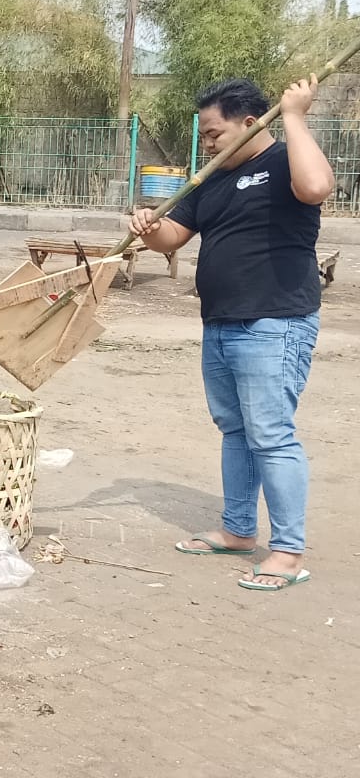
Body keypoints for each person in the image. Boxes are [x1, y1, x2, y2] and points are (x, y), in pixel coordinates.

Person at [131, 76, 332, 592]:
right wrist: (151, 229)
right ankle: (239, 530)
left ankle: (288, 551)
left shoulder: (286, 160)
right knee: (236, 431)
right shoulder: (214, 177)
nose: (208, 143)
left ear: (250, 123)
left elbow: (316, 188)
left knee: (271, 434)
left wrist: (295, 114)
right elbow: (175, 236)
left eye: (214, 133)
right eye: (204, 135)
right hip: (221, 323)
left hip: (275, 323)